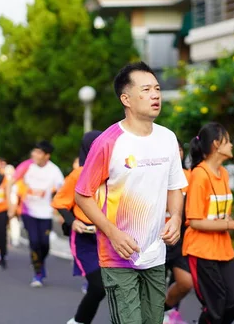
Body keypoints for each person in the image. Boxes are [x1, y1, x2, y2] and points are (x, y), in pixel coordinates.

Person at [75, 61, 188, 324]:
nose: (155, 95)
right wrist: (112, 233)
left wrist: (177, 218)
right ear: (126, 98)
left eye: (157, 89)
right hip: (119, 255)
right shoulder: (108, 142)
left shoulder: (168, 138)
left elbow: (175, 186)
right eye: (146, 89)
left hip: (155, 253)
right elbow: (82, 194)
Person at [183, 122, 234, 324]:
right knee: (215, 306)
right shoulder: (199, 176)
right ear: (216, 144)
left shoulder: (223, 174)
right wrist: (233, 225)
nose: (231, 145)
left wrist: (229, 221)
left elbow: (220, 213)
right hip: (201, 251)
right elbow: (195, 222)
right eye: (228, 141)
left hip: (222, 249)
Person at [52, 131, 106, 324]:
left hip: (109, 237)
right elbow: (59, 202)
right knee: (99, 287)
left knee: (110, 288)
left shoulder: (114, 173)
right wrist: (72, 221)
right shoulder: (78, 174)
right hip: (85, 239)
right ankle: (78, 321)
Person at [10, 141, 64, 287]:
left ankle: (40, 262)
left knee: (44, 244)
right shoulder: (27, 167)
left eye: (39, 152)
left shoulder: (54, 171)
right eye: (34, 151)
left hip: (45, 213)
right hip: (28, 212)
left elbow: (62, 191)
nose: (34, 154)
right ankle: (38, 274)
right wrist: (12, 205)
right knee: (34, 242)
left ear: (47, 156)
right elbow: (13, 183)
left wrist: (61, 211)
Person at [163, 141, 193, 324]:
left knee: (184, 282)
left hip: (181, 238)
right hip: (156, 238)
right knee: (155, 284)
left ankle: (169, 311)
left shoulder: (190, 176)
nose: (177, 153)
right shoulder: (155, 175)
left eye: (180, 149)